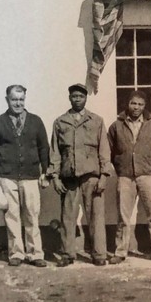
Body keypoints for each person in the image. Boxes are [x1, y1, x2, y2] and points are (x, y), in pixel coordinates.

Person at [0, 84, 49, 267]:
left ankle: (35, 253)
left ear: (25, 100)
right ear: (7, 100)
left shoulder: (36, 121)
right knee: (12, 216)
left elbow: (44, 148)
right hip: (7, 176)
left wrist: (46, 172)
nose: (18, 103)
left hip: (30, 176)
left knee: (32, 215)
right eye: (14, 99)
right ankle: (16, 253)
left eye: (21, 99)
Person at [48, 83, 111, 266]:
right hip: (69, 179)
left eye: (81, 96)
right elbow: (55, 152)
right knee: (68, 217)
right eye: (74, 96)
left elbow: (104, 150)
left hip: (92, 177)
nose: (77, 99)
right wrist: (55, 177)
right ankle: (68, 254)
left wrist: (104, 176)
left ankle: (99, 254)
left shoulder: (96, 121)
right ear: (69, 98)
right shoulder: (60, 122)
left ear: (86, 98)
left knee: (96, 217)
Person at [107, 90, 151, 264]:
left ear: (144, 106)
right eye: (133, 103)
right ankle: (120, 251)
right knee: (123, 215)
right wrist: (120, 167)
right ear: (128, 104)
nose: (136, 107)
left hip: (148, 175)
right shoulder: (116, 126)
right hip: (126, 176)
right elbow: (110, 151)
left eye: (140, 104)